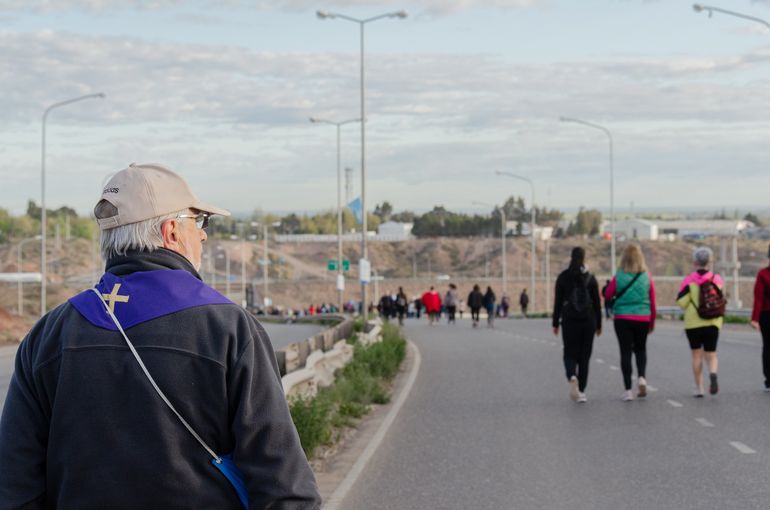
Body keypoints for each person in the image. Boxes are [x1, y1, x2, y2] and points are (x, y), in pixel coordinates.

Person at [0, 163, 321, 509]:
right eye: (197, 222)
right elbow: (282, 481)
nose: (203, 234)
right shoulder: (229, 328)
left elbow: (15, 483)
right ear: (171, 231)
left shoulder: (48, 335)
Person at [604, 245, 657, 401]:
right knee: (640, 349)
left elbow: (608, 294)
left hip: (622, 319)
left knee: (625, 352)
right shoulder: (647, 276)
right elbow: (653, 302)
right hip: (643, 318)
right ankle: (641, 377)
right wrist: (652, 321)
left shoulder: (619, 276)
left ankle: (628, 390)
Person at [553, 247, 602, 403]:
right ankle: (581, 392)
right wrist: (599, 324)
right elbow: (597, 304)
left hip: (569, 321)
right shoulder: (591, 278)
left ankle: (572, 376)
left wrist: (555, 323)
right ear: (584, 258)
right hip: (589, 321)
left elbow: (558, 303)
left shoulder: (563, 277)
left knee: (569, 353)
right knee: (584, 357)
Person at [677, 246, 725, 397]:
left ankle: (699, 388)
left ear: (695, 262)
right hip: (713, 321)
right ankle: (713, 373)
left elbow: (682, 303)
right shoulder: (717, 279)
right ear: (709, 262)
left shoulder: (689, 280)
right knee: (711, 354)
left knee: (696, 355)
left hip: (693, 323)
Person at [751, 244, 770, 391]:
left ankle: (769, 379)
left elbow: (758, 298)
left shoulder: (763, 274)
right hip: (766, 315)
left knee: (768, 347)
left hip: (766, 315)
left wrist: (755, 318)